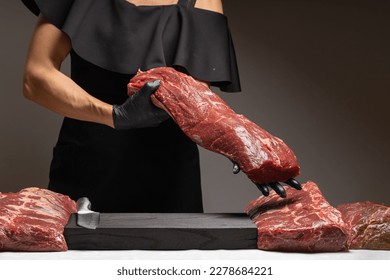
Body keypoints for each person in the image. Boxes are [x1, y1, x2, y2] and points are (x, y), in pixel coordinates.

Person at [21, 0, 299, 213]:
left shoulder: (201, 1)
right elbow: (36, 77)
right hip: (86, 165)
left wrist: (246, 146)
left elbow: (197, 101)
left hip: (170, 178)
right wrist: (115, 116)